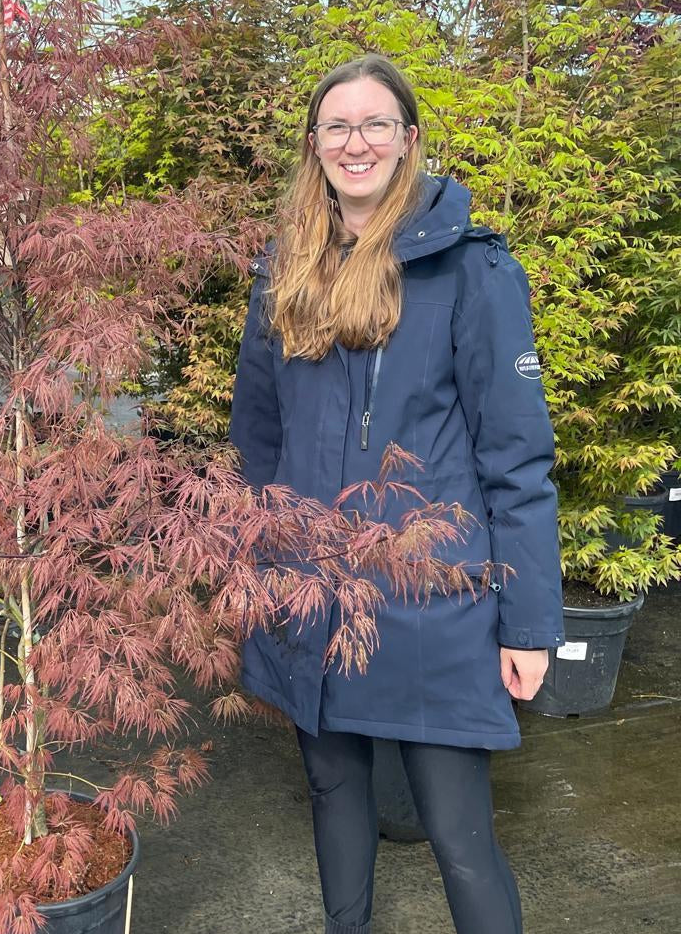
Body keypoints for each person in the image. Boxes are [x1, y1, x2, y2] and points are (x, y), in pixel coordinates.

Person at [229, 54, 564, 934]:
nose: (357, 142)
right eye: (337, 125)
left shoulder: (473, 272)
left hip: (431, 599)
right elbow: (256, 439)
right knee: (333, 793)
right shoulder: (285, 270)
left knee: (458, 835)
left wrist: (528, 623)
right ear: (315, 144)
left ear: (409, 140)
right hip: (313, 590)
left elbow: (517, 457)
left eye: (377, 123)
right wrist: (259, 569)